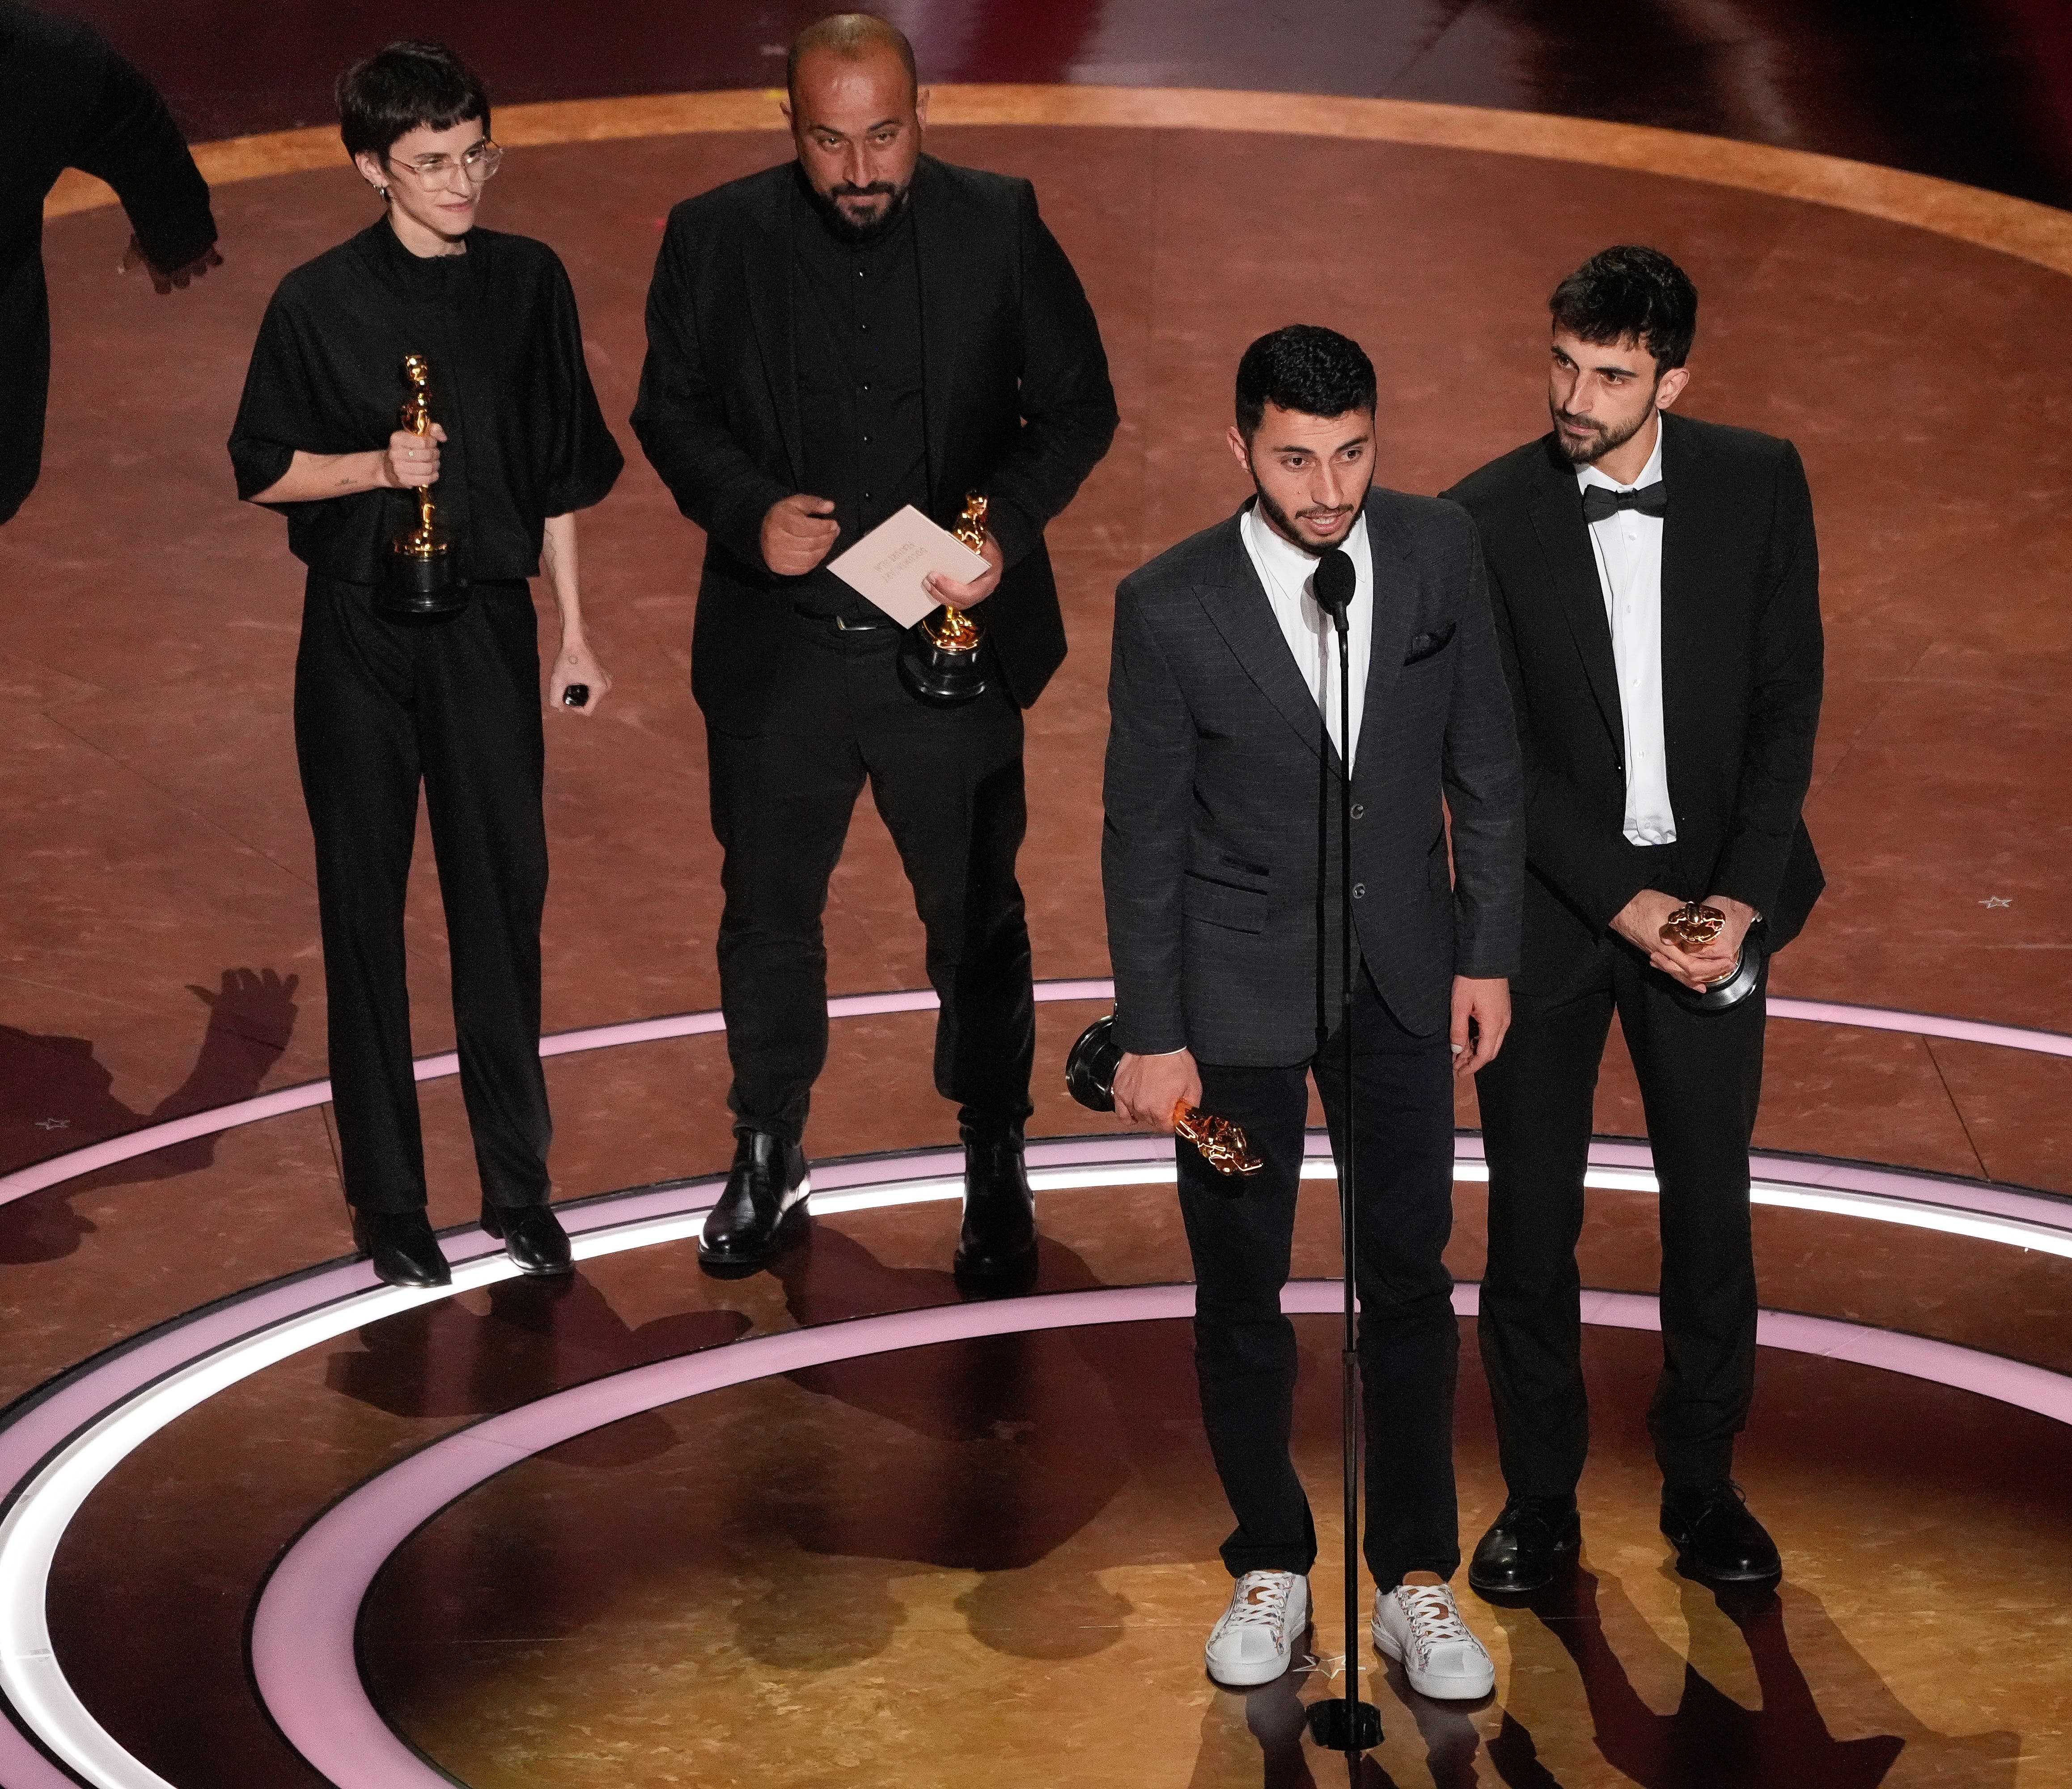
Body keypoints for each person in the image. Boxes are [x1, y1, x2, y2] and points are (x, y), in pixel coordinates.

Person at [632, 14, 1117, 1289]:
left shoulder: (999, 223)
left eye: (885, 137)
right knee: (769, 921)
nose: (861, 170)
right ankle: (769, 1147)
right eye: (831, 142)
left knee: (978, 926)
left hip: (946, 661)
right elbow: (667, 405)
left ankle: (995, 1154)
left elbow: (1078, 404)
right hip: (780, 658)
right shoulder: (713, 236)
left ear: (923, 115)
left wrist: (1000, 533)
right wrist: (746, 509)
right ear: (789, 129)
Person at [1102, 325, 1522, 1697]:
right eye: (1294, 457)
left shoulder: (1438, 548)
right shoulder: (1169, 604)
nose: (1327, 487)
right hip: (1231, 1005)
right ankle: (1269, 1563)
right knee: (1240, 1286)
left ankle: (1412, 1577)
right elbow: (1140, 834)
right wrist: (1155, 1031)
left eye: (1349, 453)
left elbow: (1487, 767)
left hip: (1405, 983)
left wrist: (1486, 951)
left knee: (1408, 1275)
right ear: (1239, 448)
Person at [1445, 246, 1825, 1592]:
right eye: (1563, 362)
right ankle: (1538, 1501)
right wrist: (1627, 900)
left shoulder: (1758, 483)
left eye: (1608, 373)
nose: (1575, 393)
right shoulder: (1480, 517)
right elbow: (1488, 758)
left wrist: (1734, 902)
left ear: (1673, 375)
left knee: (1709, 1216)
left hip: (1714, 915)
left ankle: (1703, 1486)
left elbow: (1787, 710)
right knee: (1528, 1228)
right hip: (1557, 922)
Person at [227, 41, 622, 1288]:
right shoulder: (317, 302)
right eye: (432, 165)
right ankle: (390, 1203)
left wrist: (573, 628)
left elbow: (559, 474)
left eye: (474, 156)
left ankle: (519, 1184)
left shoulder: (529, 283)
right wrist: (375, 470)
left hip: (487, 630)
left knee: (502, 908)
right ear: (370, 169)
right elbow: (264, 467)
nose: (462, 185)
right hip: (354, 636)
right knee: (367, 917)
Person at [1, 0, 221, 526]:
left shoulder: (42, 55)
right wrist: (177, 230)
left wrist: (176, 229)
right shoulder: (41, 53)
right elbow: (127, 118)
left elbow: (123, 116)